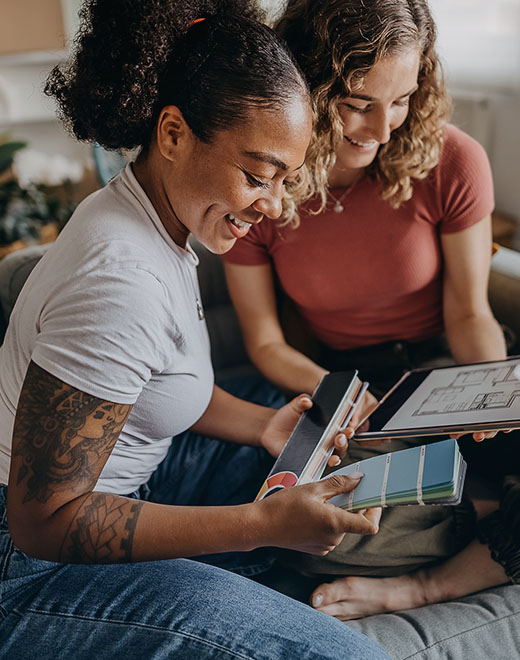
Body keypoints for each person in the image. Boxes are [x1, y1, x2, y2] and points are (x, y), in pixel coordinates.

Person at [0, 1, 392, 658]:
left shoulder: (155, 217)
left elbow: (151, 383)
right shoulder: (119, 281)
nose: (270, 207)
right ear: (174, 134)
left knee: (314, 440)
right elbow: (43, 521)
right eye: (257, 175)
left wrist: (260, 427)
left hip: (131, 479)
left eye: (284, 180)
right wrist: (255, 526)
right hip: (29, 565)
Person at [222, 0, 520, 621]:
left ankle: (427, 580)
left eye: (404, 98)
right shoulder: (259, 186)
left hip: (447, 369)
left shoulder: (453, 160)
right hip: (347, 389)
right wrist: (342, 393)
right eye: (358, 102)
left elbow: (468, 311)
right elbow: (266, 344)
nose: (384, 127)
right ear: (302, 86)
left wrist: (488, 394)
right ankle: (488, 520)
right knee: (309, 518)